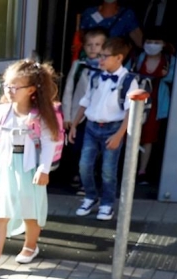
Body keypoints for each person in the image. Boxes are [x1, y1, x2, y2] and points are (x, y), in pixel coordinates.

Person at [0, 60, 61, 269]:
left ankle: (30, 246)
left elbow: (49, 142)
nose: (9, 90)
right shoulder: (1, 112)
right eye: (7, 85)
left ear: (30, 90)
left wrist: (43, 169)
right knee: (0, 211)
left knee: (31, 211)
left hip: (29, 168)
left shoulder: (40, 116)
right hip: (6, 167)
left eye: (15, 87)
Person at [69, 37, 138, 221]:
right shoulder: (96, 76)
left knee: (108, 169)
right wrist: (75, 124)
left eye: (105, 56)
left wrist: (119, 135)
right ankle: (91, 196)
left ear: (119, 58)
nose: (101, 60)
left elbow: (130, 112)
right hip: (92, 127)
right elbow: (86, 101)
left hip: (113, 128)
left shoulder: (129, 80)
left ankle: (107, 203)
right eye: (100, 56)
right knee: (84, 165)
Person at [63, 28, 108, 188]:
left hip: (98, 116)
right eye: (89, 44)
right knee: (77, 146)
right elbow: (69, 90)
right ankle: (77, 173)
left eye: (97, 44)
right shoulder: (78, 65)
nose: (93, 48)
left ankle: (88, 179)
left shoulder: (108, 67)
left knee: (94, 149)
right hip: (78, 116)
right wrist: (67, 116)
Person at [134, 27, 176, 183]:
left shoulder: (170, 60)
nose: (152, 45)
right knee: (131, 134)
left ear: (163, 44)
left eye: (156, 42)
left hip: (156, 104)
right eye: (149, 42)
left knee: (149, 137)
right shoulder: (139, 58)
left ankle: (142, 171)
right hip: (137, 101)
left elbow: (176, 78)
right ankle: (127, 167)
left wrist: (165, 76)